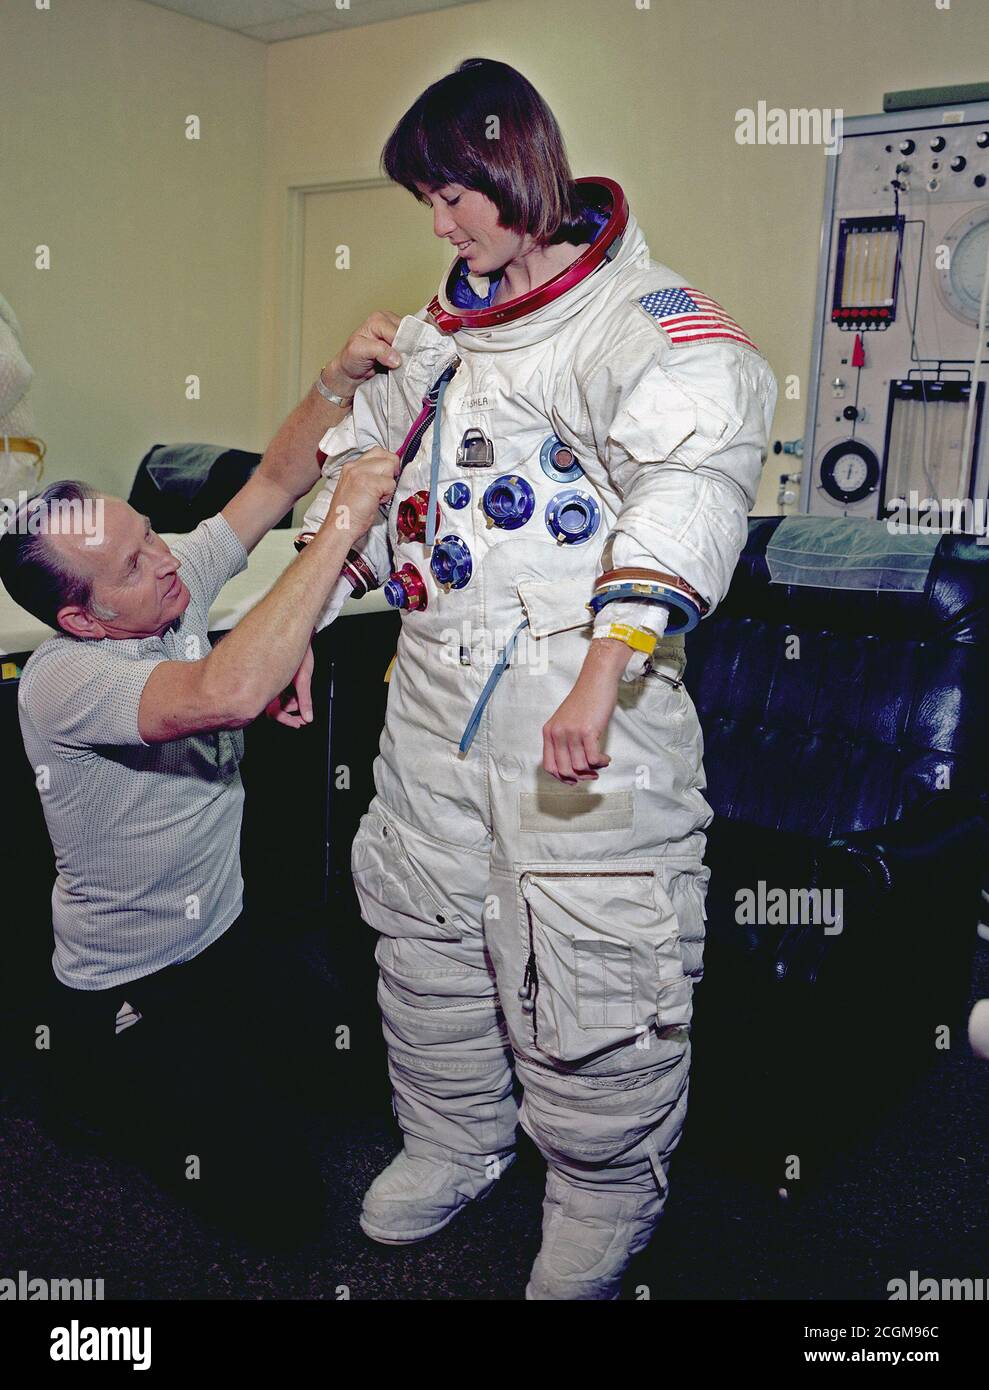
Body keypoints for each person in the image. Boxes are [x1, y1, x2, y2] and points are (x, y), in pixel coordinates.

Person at [297, 58, 778, 1297]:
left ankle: (604, 1189)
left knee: (591, 964)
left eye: (456, 192)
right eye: (429, 202)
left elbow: (696, 473)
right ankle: (454, 1138)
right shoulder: (436, 338)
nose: (441, 222)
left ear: (520, 169)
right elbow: (363, 490)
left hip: (583, 704)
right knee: (424, 932)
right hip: (431, 700)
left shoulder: (643, 320)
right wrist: (295, 620)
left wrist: (604, 670)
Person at [0, 315, 403, 1245]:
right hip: (129, 982)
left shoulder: (168, 576)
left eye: (148, 536)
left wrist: (335, 383)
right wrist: (340, 529)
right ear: (84, 618)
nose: (163, 561)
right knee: (283, 1217)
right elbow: (229, 689)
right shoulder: (67, 680)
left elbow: (271, 480)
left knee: (357, 1079)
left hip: (224, 934)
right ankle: (92, 1079)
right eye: (132, 567)